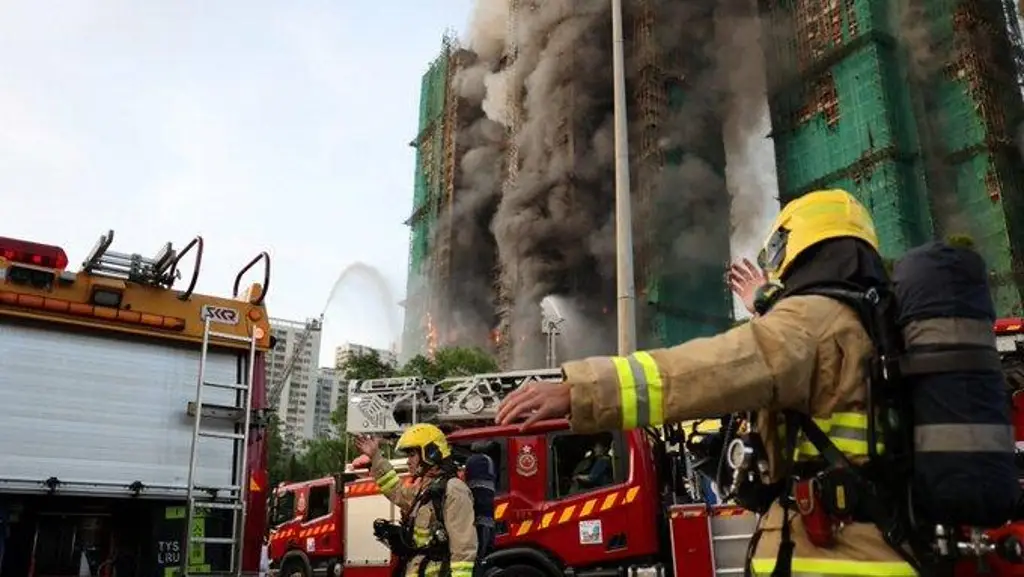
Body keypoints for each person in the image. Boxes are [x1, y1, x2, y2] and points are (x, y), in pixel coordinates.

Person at [495, 189, 918, 576]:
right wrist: (767, 306)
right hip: (891, 547)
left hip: (828, 558)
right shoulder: (885, 324)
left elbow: (707, 371)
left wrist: (581, 390)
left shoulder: (812, 322)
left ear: (795, 247)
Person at [355, 424, 478, 577]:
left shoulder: (453, 489)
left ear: (430, 454)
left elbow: (463, 549)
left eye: (412, 455)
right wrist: (376, 457)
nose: (408, 461)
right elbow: (397, 491)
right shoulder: (426, 489)